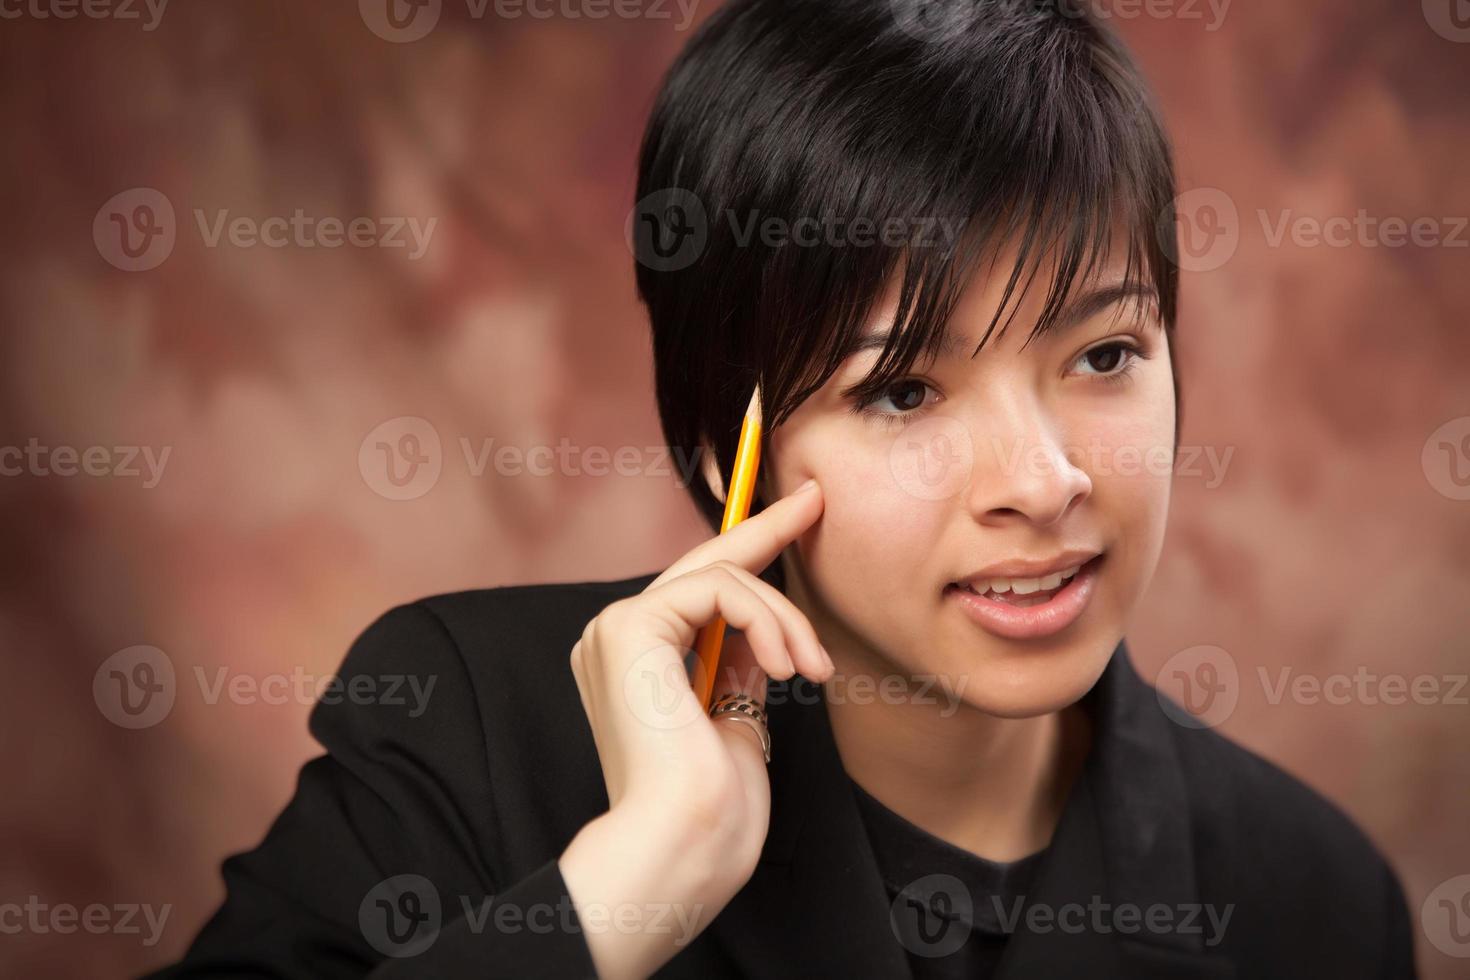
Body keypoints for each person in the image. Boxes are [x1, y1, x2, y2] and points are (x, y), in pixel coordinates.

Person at [147, 0, 1417, 977]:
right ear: (724, 443)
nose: (1044, 480)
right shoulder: (462, 726)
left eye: (1103, 354)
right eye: (903, 391)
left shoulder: (1311, 897)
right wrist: (621, 895)